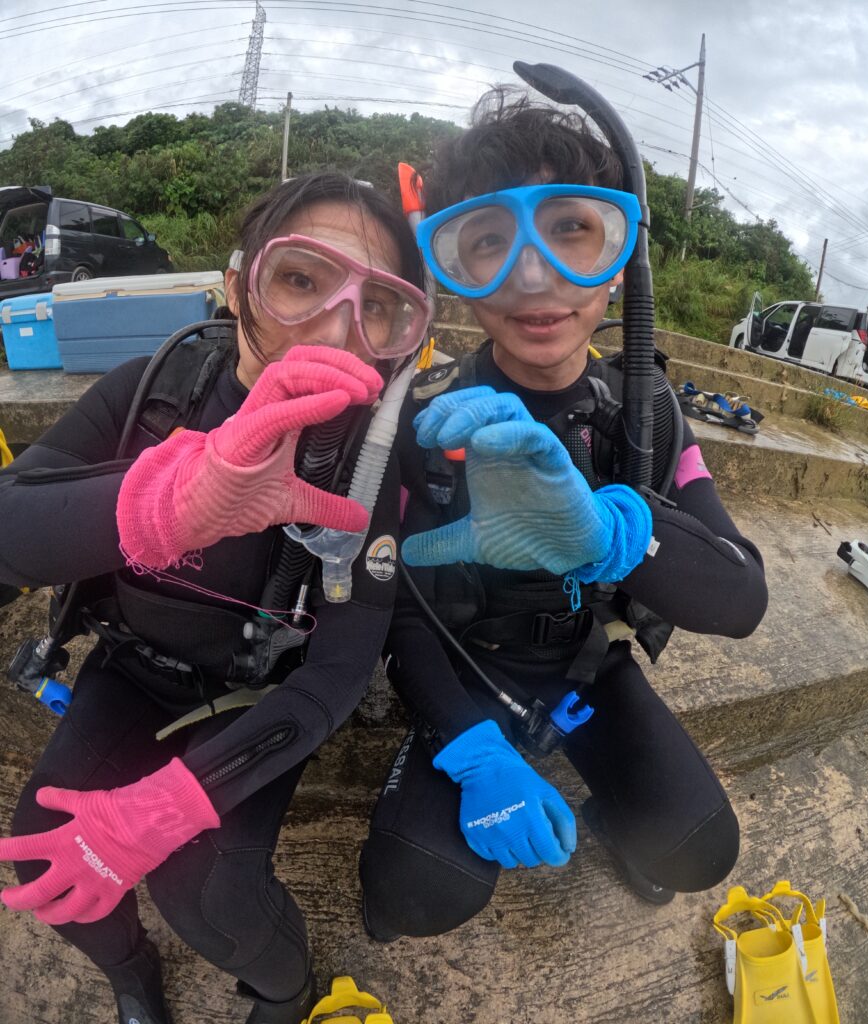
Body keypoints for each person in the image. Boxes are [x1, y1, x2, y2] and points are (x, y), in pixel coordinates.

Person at [0, 172, 429, 1024]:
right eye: (301, 279)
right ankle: (130, 971)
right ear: (236, 288)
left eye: (377, 305)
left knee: (208, 888)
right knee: (39, 849)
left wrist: (177, 801)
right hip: (134, 666)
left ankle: (282, 988)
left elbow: (338, 672)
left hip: (256, 695)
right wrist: (166, 504)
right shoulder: (155, 393)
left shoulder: (375, 468)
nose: (339, 328)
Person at [359, 88, 769, 941]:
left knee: (698, 850)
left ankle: (613, 799)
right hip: (464, 668)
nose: (535, 276)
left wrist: (615, 535)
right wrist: (471, 749)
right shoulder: (424, 419)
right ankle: (473, 783)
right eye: (489, 244)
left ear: (619, 255)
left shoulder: (645, 410)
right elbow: (394, 612)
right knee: (414, 893)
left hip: (585, 667)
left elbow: (741, 600)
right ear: (453, 272)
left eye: (572, 229)